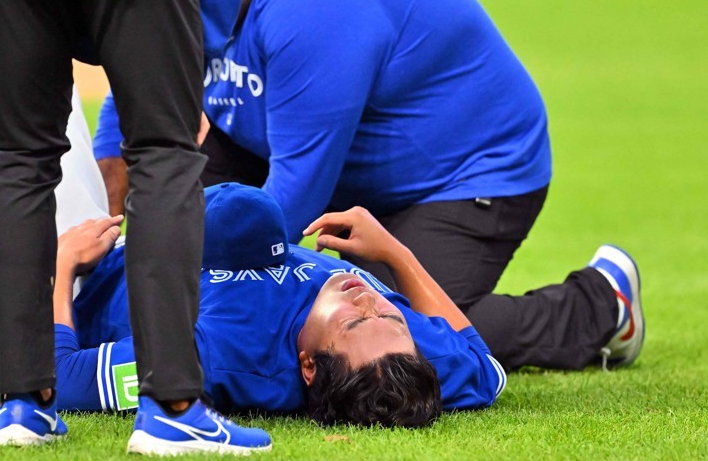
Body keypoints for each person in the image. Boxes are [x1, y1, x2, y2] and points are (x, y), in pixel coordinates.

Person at [93, 0, 644, 374]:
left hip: (462, 175)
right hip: (292, 142)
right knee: (180, 220)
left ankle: (601, 304)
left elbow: (281, 216)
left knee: (400, 333)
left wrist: (176, 307)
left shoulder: (313, 0)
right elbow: (139, 84)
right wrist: (102, 238)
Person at [0, 0, 273, 452]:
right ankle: (173, 406)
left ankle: (22, 406)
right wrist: (204, 37)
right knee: (164, 155)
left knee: (18, 159)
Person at [52, 184, 506, 431]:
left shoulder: (225, 355)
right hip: (189, 224)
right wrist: (394, 253)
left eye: (352, 321)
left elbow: (60, 377)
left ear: (308, 366)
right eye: (390, 315)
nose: (367, 299)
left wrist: (63, 266)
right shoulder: (405, 357)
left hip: (88, 268)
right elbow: (484, 364)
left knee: (30, 128)